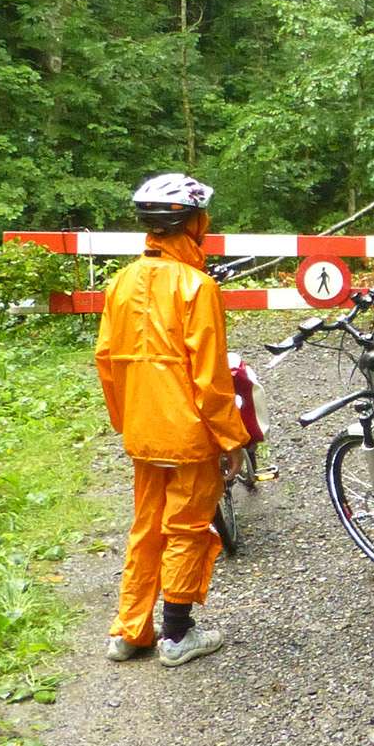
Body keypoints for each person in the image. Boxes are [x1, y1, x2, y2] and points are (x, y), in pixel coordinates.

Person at [95, 173, 249, 667]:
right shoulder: (196, 286)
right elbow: (210, 376)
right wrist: (232, 438)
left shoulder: (120, 282)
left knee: (146, 528)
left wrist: (127, 421)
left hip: (143, 430)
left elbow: (105, 358)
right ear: (193, 222)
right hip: (189, 435)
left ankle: (130, 630)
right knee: (186, 528)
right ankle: (178, 634)